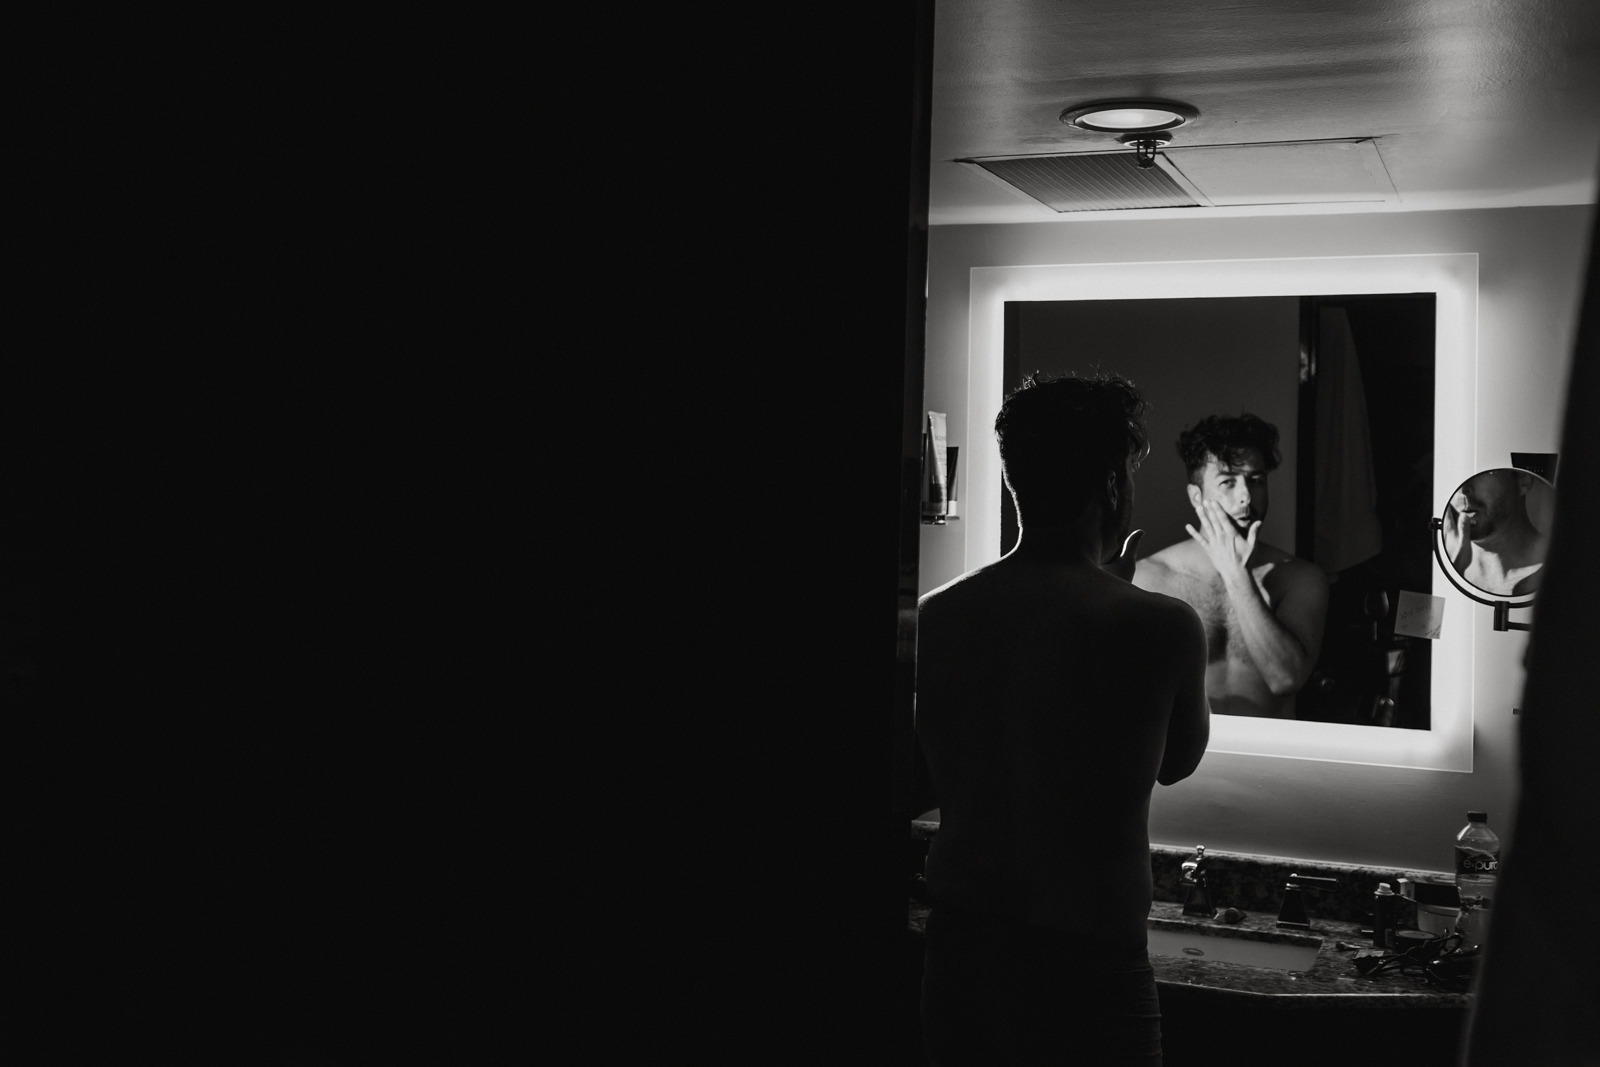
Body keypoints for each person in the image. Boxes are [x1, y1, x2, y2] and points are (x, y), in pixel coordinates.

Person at [916, 372, 1210, 1065]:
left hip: (962, 951)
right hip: (1090, 963)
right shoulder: (1158, 625)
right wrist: (1118, 594)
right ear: (1113, 484)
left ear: (1018, 478)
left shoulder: (941, 613)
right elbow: (1176, 762)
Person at [1133, 413, 1327, 720]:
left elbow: (1285, 678)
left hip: (1268, 759)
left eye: (1256, 480)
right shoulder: (1149, 579)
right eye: (1228, 482)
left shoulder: (1299, 579)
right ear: (1197, 496)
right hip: (1181, 763)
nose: (1246, 497)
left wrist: (1236, 576)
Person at [1441, 468, 1547, 595]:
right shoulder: (1437, 565)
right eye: (1454, 472)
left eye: (1482, 472)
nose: (1463, 490)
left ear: (1523, 481)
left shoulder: (1566, 568)